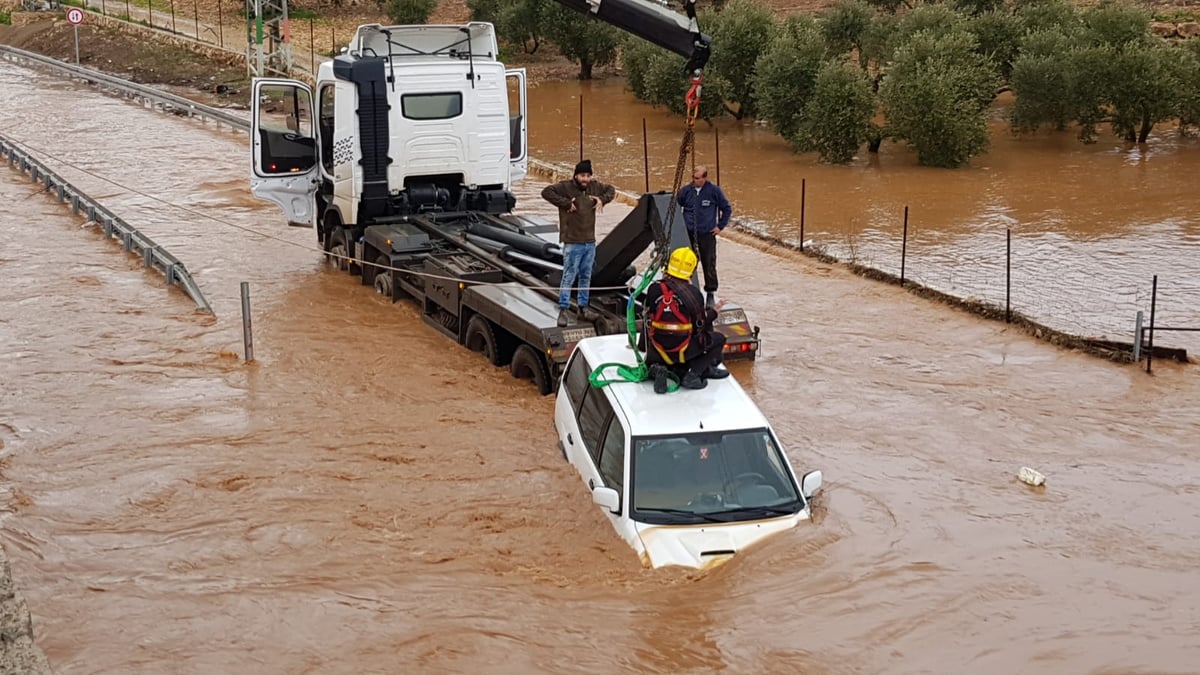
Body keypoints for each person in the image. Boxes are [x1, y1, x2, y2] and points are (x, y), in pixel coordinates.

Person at [640, 247, 730, 393]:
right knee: (719, 339)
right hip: (682, 350)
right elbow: (699, 325)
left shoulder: (654, 289)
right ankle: (693, 375)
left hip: (657, 349)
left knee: (659, 351)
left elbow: (648, 318)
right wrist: (713, 313)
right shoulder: (694, 294)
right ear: (691, 270)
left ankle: (657, 368)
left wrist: (642, 347)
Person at [541, 159, 616, 327]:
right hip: (572, 242)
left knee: (585, 276)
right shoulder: (565, 187)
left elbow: (611, 190)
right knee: (569, 276)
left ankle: (583, 308)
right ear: (576, 175)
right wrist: (567, 203)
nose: (585, 179)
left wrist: (602, 200)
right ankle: (563, 310)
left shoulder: (594, 187)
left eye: (588, 175)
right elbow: (546, 192)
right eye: (582, 175)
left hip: (589, 242)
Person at [676, 165, 732, 308]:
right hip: (689, 233)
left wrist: (720, 226)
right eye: (693, 178)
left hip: (707, 234)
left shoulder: (714, 191)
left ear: (705, 178)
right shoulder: (686, 191)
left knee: (709, 263)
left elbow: (726, 208)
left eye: (697, 178)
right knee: (687, 261)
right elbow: (675, 206)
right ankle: (685, 289)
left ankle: (710, 293)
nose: (694, 181)